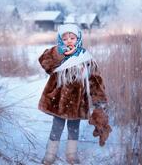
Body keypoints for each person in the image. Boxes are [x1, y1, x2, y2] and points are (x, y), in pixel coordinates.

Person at [38, 23, 108, 165]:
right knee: (56, 127)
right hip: (59, 102)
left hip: (77, 103)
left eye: (72, 37)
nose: (69, 41)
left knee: (73, 128)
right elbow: (44, 63)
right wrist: (58, 51)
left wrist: (98, 100)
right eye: (65, 38)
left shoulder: (85, 58)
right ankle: (50, 154)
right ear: (60, 40)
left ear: (79, 38)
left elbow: (95, 80)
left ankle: (71, 154)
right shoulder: (58, 56)